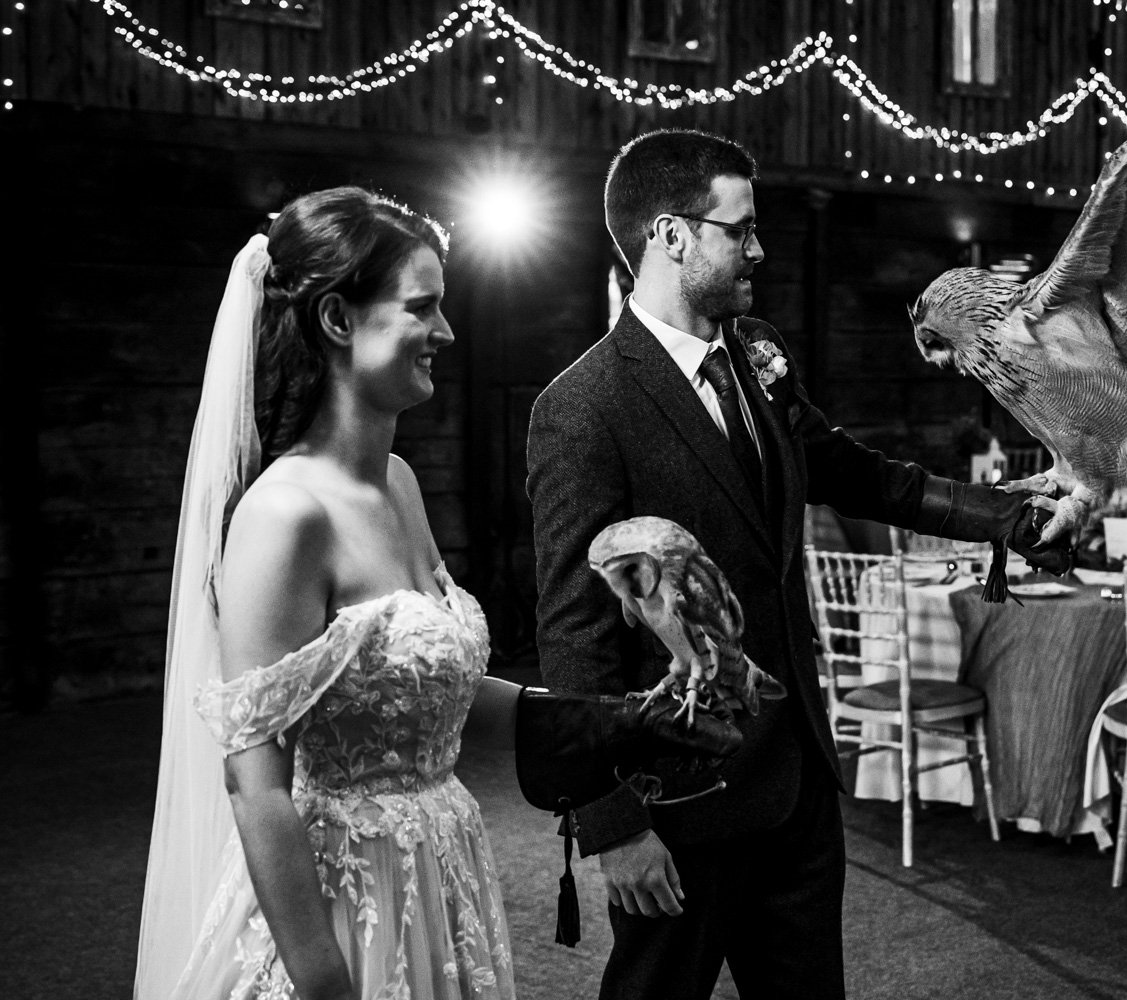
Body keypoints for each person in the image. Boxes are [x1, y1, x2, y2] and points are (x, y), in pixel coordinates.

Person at [134, 186, 739, 1000]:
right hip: (340, 899)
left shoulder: (398, 482)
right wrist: (323, 980)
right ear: (339, 321)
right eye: (422, 307)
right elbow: (256, 783)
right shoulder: (284, 515)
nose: (446, 332)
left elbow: (429, 688)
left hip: (440, 871)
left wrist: (618, 721)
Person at [525, 128, 1064, 1000]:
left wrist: (1009, 519)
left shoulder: (758, 356)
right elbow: (572, 627)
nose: (758, 248)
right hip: (680, 796)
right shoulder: (582, 408)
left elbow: (852, 473)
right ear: (671, 236)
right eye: (739, 230)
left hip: (797, 782)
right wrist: (611, 822)